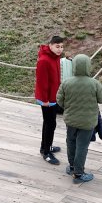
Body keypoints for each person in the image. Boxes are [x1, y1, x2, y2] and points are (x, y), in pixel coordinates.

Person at [55, 54, 102, 184]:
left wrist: (69, 108)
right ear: (88, 66)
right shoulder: (94, 83)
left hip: (70, 120)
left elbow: (59, 100)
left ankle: (72, 167)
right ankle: (78, 173)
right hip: (87, 122)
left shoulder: (67, 82)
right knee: (82, 147)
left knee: (71, 142)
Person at [34, 35, 65, 165]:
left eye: (62, 47)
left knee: (48, 123)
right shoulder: (44, 60)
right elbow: (42, 82)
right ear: (50, 45)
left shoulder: (55, 57)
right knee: (50, 124)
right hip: (47, 99)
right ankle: (46, 153)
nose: (60, 49)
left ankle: (45, 146)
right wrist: (45, 100)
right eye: (57, 46)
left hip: (53, 96)